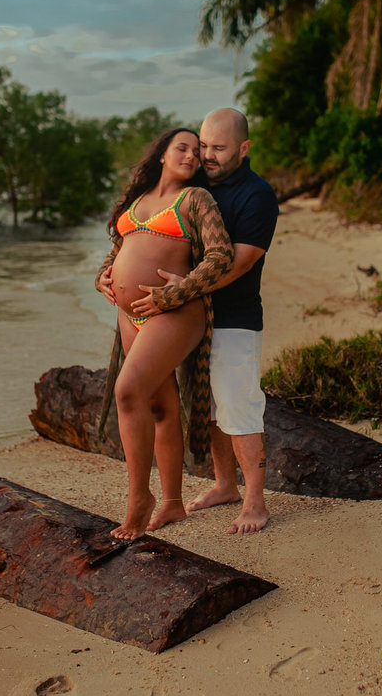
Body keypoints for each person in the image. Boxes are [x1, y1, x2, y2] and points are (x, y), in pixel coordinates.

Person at [128, 108, 278, 534]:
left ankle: (255, 501)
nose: (207, 155)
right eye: (203, 145)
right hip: (188, 318)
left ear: (244, 148)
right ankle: (225, 485)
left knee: (238, 406)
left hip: (234, 317)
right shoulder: (196, 185)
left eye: (218, 148)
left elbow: (241, 261)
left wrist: (180, 290)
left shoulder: (257, 195)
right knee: (206, 406)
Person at [95, 128, 233, 540]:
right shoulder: (137, 202)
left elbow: (221, 255)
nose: (192, 155)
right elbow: (119, 250)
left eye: (198, 150)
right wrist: (103, 277)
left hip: (175, 311)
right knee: (159, 406)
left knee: (127, 391)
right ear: (161, 154)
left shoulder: (195, 200)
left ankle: (139, 499)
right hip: (130, 315)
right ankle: (172, 503)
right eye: (183, 147)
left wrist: (175, 292)